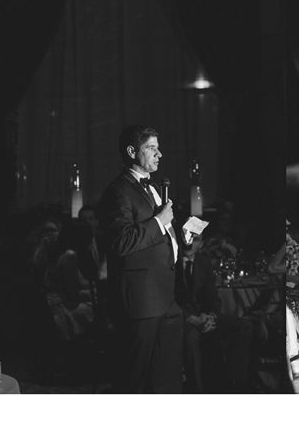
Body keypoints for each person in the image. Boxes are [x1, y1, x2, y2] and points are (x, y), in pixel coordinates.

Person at [98, 125, 183, 393]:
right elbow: (121, 242)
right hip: (141, 303)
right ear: (132, 151)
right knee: (134, 381)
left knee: (166, 379)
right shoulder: (118, 191)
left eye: (158, 148)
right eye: (152, 148)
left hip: (167, 297)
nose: (160, 154)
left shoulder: (154, 187)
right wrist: (159, 221)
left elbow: (155, 235)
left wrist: (180, 239)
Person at [175, 234, 254, 393]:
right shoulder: (171, 262)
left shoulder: (203, 262)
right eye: (186, 238)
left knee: (245, 327)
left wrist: (211, 316)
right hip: (182, 318)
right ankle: (197, 391)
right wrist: (192, 319)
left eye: (195, 239)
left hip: (205, 316)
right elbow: (169, 299)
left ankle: (234, 385)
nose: (189, 243)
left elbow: (213, 297)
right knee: (192, 337)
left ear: (201, 244)